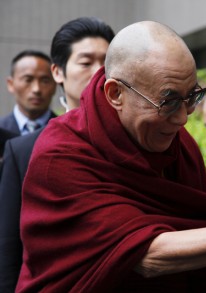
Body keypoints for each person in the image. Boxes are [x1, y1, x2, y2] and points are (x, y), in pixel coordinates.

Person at [16, 21, 206, 293]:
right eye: (168, 101)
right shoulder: (61, 154)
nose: (183, 118)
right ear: (115, 94)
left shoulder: (177, 143)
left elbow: (205, 220)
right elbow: (145, 256)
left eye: (191, 97)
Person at [0, 16, 115, 292]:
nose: (99, 72)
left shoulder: (141, 141)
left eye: (107, 64)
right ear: (58, 72)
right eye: (86, 63)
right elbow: (9, 247)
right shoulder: (23, 149)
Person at [0, 50, 57, 135]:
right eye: (28, 80)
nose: (36, 89)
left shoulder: (67, 132)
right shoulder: (1, 129)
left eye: (45, 81)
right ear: (11, 84)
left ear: (55, 85)